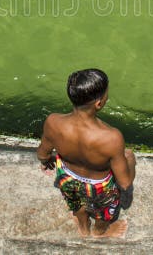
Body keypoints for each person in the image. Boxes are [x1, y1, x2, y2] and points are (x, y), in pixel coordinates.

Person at [37, 68, 136, 237]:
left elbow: (42, 155)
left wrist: (48, 160)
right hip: (100, 186)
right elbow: (125, 183)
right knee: (104, 213)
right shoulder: (111, 138)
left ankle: (83, 228)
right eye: (106, 95)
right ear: (99, 103)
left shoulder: (53, 122)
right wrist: (130, 160)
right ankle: (99, 231)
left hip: (67, 176)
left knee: (76, 204)